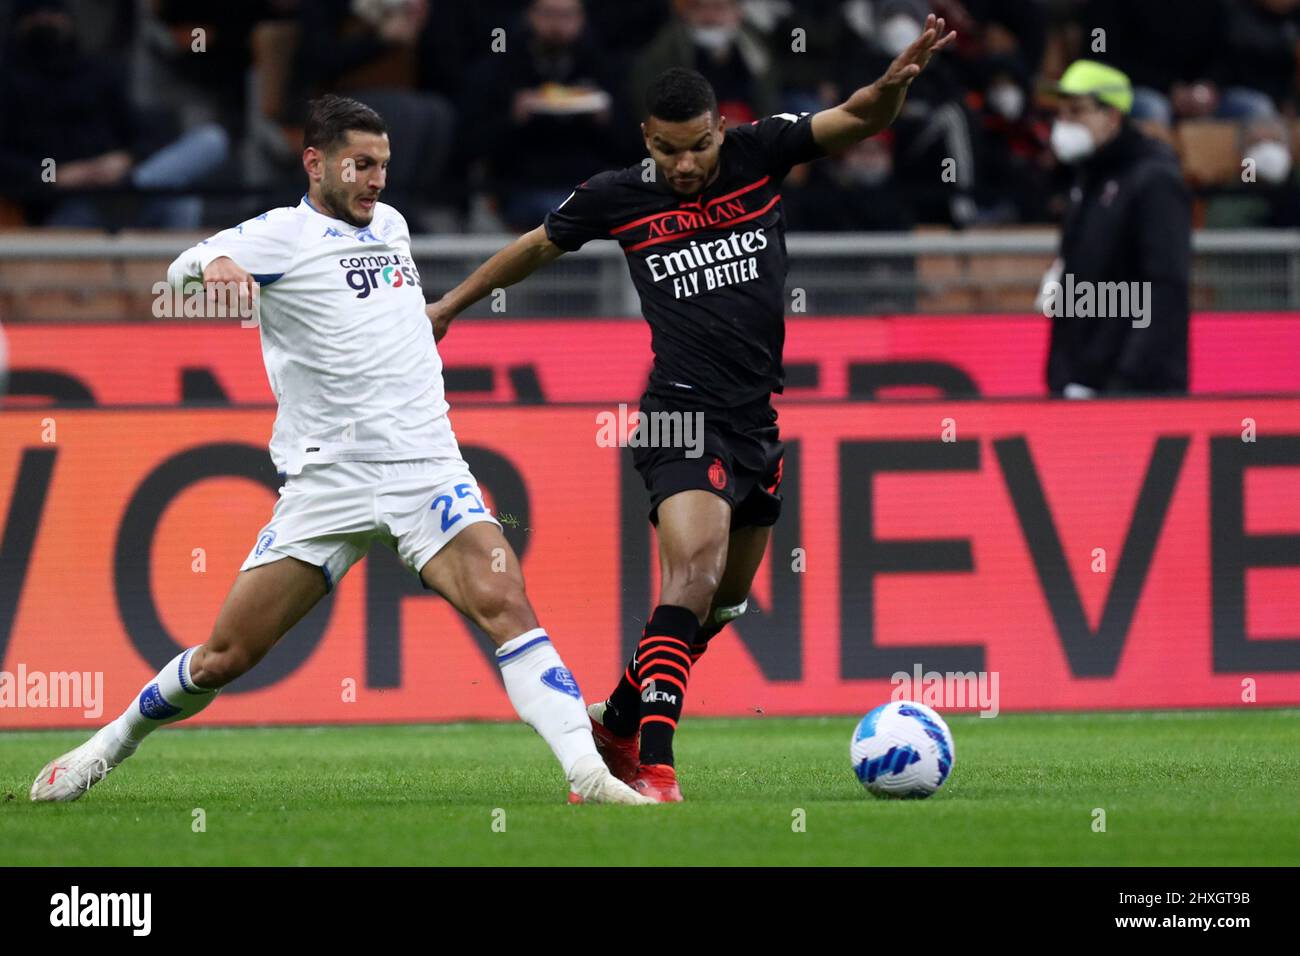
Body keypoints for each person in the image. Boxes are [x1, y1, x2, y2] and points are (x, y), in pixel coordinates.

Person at [29, 95, 650, 807]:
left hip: (426, 467)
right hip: (328, 481)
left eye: (383, 165)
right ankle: (105, 747)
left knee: (505, 601)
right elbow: (181, 270)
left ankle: (587, 774)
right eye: (360, 164)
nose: (376, 180)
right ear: (315, 163)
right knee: (225, 656)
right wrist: (215, 273)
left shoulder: (390, 225)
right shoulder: (280, 234)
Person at [426, 17, 957, 801]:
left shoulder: (760, 151)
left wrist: (888, 91)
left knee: (722, 605)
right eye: (668, 148)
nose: (685, 162)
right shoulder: (617, 197)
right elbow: (538, 244)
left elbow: (854, 119)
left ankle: (613, 720)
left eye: (699, 145)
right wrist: (451, 305)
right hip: (679, 414)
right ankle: (656, 762)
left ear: (721, 131)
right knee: (695, 576)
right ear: (646, 137)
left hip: (755, 424)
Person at [1044, 60, 1191, 396]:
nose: (1063, 123)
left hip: (1132, 389)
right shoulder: (1088, 177)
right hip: (1083, 380)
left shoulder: (1154, 181)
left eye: (1077, 111)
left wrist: (1124, 381)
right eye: (1061, 112)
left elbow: (1164, 288)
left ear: (1111, 116)